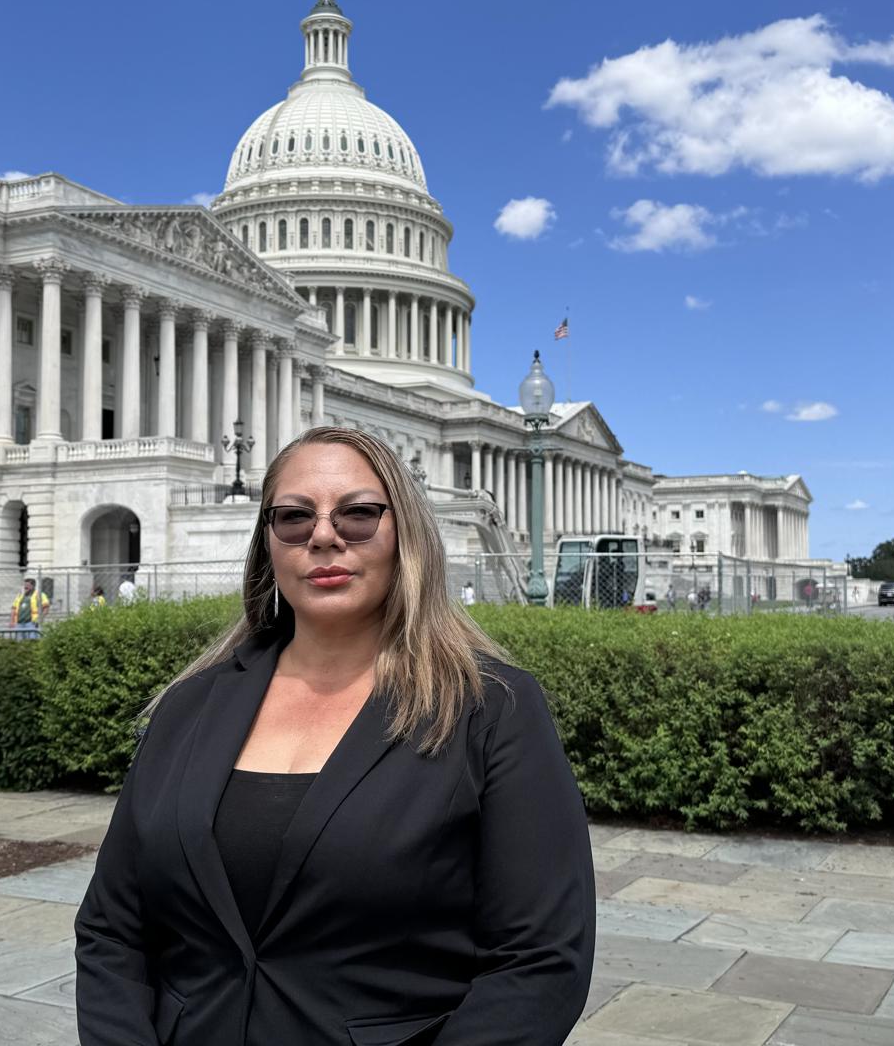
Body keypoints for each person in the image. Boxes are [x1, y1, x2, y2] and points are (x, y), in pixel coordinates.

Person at [74, 426, 595, 1045]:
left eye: (358, 514)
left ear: (406, 534)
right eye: (294, 517)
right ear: (268, 543)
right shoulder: (188, 707)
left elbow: (538, 960)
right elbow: (112, 930)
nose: (323, 536)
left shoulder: (490, 709)